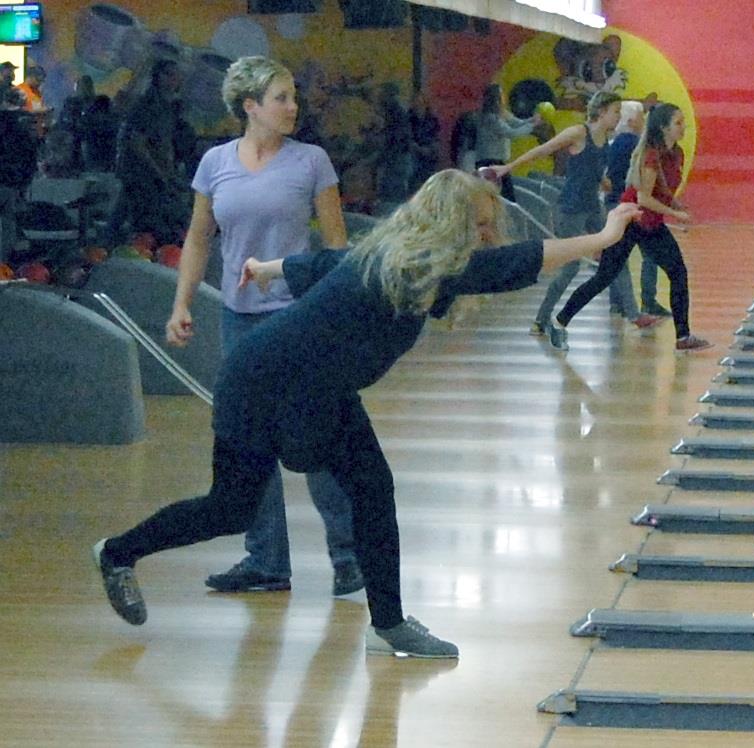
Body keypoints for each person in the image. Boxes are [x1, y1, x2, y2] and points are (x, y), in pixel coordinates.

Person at [93, 169, 641, 659]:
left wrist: (269, 268)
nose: (484, 236)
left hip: (318, 388)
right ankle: (117, 553)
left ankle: (388, 625)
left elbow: (325, 264)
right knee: (230, 509)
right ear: (449, 225)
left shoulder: (394, 255)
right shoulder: (413, 264)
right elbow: (507, 265)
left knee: (372, 490)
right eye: (476, 225)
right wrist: (602, 238)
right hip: (265, 383)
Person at [164, 56, 363, 598]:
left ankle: (350, 556)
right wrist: (182, 304)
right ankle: (266, 561)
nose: (293, 106)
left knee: (314, 435)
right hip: (239, 321)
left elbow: (336, 247)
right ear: (250, 106)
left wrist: (338, 314)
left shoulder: (312, 161)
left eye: (293, 96)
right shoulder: (215, 163)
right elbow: (199, 239)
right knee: (250, 442)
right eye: (282, 98)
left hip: (297, 318)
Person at [491, 92, 657, 345]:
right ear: (601, 111)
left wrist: (603, 181)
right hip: (571, 209)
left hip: (592, 207)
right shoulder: (578, 133)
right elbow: (543, 150)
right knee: (570, 269)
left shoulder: (606, 138)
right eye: (615, 111)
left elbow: (592, 167)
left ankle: (634, 314)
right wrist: (506, 168)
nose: (618, 117)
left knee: (617, 254)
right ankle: (540, 319)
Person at [549, 103, 711, 352]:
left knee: (678, 272)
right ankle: (559, 322)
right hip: (629, 221)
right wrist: (675, 214)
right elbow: (643, 198)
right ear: (663, 127)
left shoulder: (675, 153)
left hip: (650, 223)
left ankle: (683, 336)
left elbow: (662, 190)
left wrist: (676, 204)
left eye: (683, 122)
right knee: (604, 277)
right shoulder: (650, 155)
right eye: (678, 123)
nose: (683, 127)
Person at [112, 58, 190, 244]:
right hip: (141, 176)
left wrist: (168, 172)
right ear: (157, 77)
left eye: (177, 75)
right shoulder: (147, 105)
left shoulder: (167, 107)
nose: (174, 79)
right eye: (168, 74)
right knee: (146, 226)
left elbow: (164, 143)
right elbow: (137, 143)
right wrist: (160, 172)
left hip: (153, 176)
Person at [607, 100, 670, 317]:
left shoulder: (614, 142)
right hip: (631, 205)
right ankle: (647, 301)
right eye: (641, 117)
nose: (644, 121)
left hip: (613, 202)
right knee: (650, 255)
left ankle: (617, 303)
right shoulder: (638, 145)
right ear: (632, 121)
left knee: (617, 256)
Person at [474, 83, 539, 202]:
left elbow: (517, 123)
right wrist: (532, 126)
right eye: (501, 95)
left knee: (506, 194)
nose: (504, 97)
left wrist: (532, 120)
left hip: (498, 161)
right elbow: (511, 133)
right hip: (489, 162)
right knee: (504, 195)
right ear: (496, 99)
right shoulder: (490, 118)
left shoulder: (502, 113)